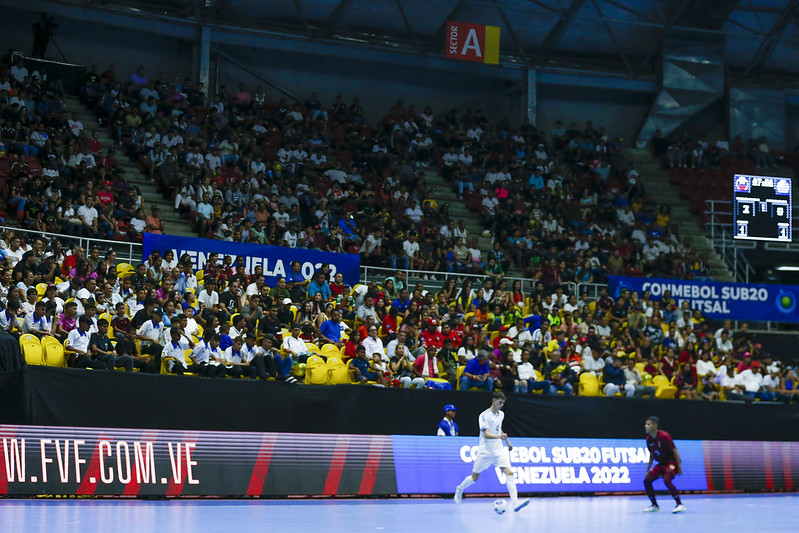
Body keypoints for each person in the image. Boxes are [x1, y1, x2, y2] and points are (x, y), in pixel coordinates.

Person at [454, 392, 528, 512]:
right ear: (494, 400)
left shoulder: (501, 415)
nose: (502, 405)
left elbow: (498, 428)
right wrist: (499, 437)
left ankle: (515, 503)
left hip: (498, 451)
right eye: (500, 402)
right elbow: (486, 434)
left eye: (503, 403)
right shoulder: (484, 415)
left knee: (510, 473)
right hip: (485, 452)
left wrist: (507, 442)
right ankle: (460, 489)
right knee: (474, 478)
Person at [643, 416, 686, 513]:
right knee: (647, 480)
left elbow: (674, 450)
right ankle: (654, 505)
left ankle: (679, 504)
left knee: (667, 480)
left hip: (672, 462)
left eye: (648, 424)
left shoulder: (664, 436)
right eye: (646, 424)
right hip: (661, 464)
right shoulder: (649, 439)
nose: (645, 426)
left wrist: (678, 466)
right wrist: (647, 470)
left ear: (654, 426)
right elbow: (651, 455)